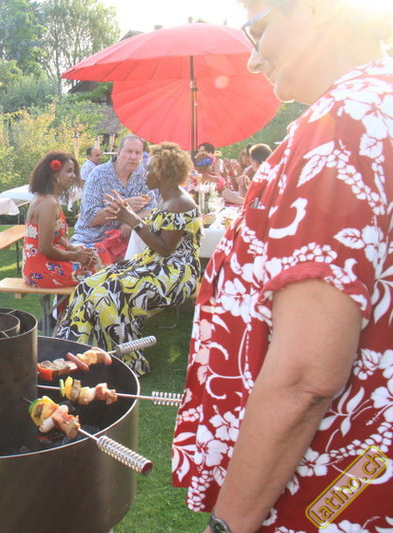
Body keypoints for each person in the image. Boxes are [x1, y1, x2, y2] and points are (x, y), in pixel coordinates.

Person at [172, 1, 393, 531]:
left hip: (324, 482)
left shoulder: (346, 122)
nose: (253, 60)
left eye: (258, 29)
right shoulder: (375, 103)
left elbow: (305, 376)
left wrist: (230, 523)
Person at [56, 142, 201, 376]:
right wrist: (129, 216)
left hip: (175, 273)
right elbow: (156, 241)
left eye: (150, 169)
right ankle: (74, 350)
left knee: (109, 293)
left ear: (163, 173)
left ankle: (124, 363)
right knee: (89, 284)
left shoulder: (180, 203)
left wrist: (131, 218)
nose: (145, 173)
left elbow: (165, 249)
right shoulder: (167, 198)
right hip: (154, 264)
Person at [22, 151, 104, 290]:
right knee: (101, 271)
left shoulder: (48, 198)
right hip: (41, 270)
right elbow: (45, 248)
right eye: (69, 171)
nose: (74, 176)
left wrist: (76, 250)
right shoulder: (48, 203)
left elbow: (57, 237)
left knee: (99, 251)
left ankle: (71, 304)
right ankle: (74, 304)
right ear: (54, 174)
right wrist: (76, 256)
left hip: (44, 263)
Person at [70, 134, 156, 263]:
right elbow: (89, 218)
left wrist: (131, 221)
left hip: (127, 244)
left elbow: (152, 208)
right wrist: (122, 207)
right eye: (129, 151)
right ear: (119, 152)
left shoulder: (141, 174)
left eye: (138, 153)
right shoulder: (98, 175)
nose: (133, 157)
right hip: (93, 241)